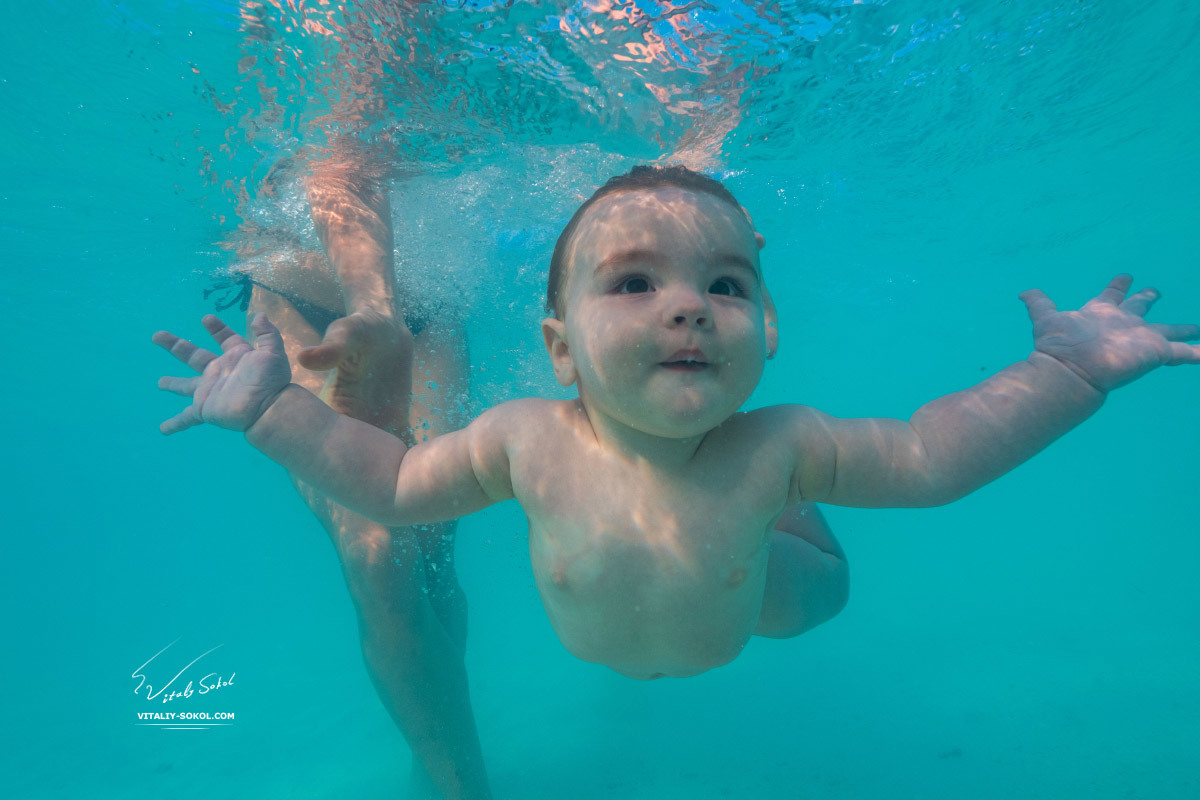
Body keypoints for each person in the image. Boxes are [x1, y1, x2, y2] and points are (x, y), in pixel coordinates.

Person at [154, 164, 1197, 684]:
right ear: (560, 348)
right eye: (637, 281)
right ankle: (783, 521)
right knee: (768, 510)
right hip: (662, 615)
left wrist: (1068, 369)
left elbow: (930, 456)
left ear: (767, 326)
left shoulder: (776, 440)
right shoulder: (524, 437)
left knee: (812, 585)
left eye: (725, 284)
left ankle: (801, 525)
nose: (688, 306)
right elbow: (384, 482)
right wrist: (274, 411)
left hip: (769, 605)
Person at [218, 150, 491, 799]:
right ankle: (464, 785)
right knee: (375, 553)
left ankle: (437, 752)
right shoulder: (303, 63)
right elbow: (337, 163)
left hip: (419, 320)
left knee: (430, 545)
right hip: (290, 306)